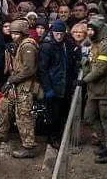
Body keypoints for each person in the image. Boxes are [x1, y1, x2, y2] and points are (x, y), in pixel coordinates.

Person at [0, 18, 40, 158]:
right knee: (4, 104)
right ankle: (1, 133)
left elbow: (29, 70)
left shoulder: (28, 46)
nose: (13, 36)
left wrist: (11, 80)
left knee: (23, 115)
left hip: (25, 86)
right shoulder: (19, 44)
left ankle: (29, 146)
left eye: (16, 33)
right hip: (17, 84)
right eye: (12, 33)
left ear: (23, 33)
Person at [81, 19, 107, 164]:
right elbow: (91, 64)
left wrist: (84, 80)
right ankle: (105, 143)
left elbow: (101, 68)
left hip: (105, 90)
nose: (89, 32)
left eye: (92, 29)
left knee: (106, 119)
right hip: (94, 90)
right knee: (89, 117)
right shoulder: (95, 43)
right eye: (88, 30)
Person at [38, 19, 77, 147]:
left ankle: (60, 135)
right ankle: (52, 137)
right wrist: (48, 88)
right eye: (57, 34)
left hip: (64, 84)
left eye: (61, 34)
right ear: (52, 32)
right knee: (53, 115)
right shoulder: (47, 46)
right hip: (54, 85)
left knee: (62, 113)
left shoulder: (67, 44)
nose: (59, 36)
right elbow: (42, 69)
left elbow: (70, 63)